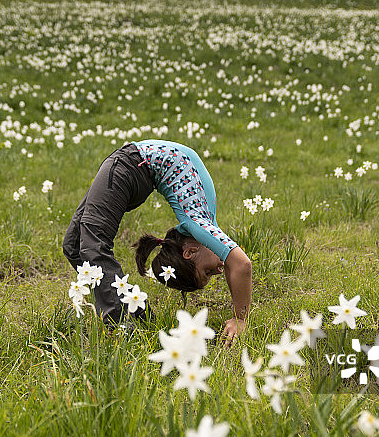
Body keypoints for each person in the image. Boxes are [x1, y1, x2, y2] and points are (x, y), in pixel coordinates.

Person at [62, 139, 251, 345]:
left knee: (86, 246)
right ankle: (124, 324)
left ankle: (131, 316)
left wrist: (237, 312)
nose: (219, 271)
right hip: (130, 166)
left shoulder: (201, 227)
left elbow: (235, 267)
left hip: (131, 169)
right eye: (207, 272)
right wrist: (240, 319)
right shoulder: (198, 224)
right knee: (77, 246)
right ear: (189, 252)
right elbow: (241, 265)